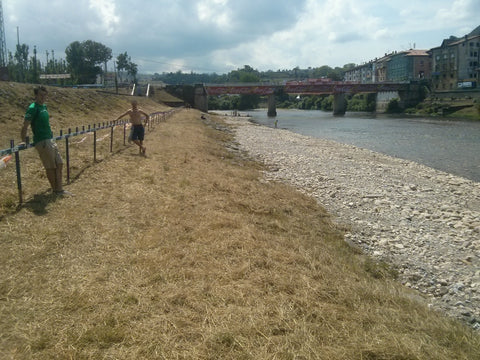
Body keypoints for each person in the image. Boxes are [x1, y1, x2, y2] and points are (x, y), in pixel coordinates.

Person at [20, 86, 72, 196]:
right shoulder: (33, 108)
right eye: (41, 95)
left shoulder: (44, 107)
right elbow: (25, 126)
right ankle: (56, 190)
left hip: (49, 139)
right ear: (35, 95)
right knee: (50, 167)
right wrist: (24, 140)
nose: (43, 97)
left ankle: (59, 189)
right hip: (42, 141)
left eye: (45, 95)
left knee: (60, 163)